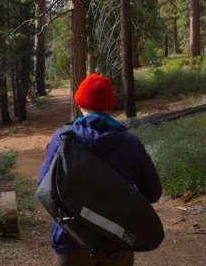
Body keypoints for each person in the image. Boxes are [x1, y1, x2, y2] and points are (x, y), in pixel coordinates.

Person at [38, 73, 162, 266]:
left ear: (79, 103)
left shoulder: (61, 138)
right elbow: (153, 192)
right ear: (109, 104)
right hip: (117, 239)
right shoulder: (131, 143)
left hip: (70, 240)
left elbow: (43, 186)